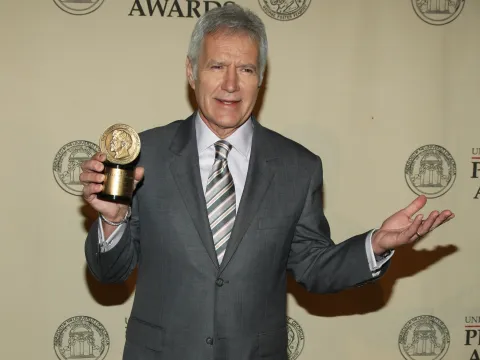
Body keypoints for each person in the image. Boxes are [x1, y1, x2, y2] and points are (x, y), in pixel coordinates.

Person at [80, 5, 454, 360]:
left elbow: (313, 265)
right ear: (191, 71)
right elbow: (109, 273)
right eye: (216, 66)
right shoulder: (143, 155)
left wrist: (375, 244)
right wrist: (113, 220)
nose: (230, 84)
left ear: (261, 77)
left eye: (245, 69)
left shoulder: (298, 167)